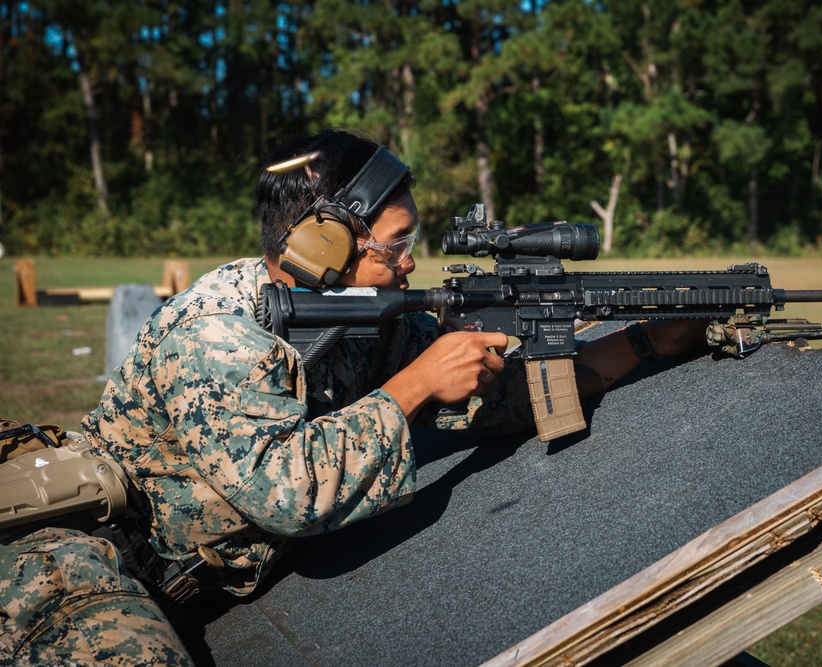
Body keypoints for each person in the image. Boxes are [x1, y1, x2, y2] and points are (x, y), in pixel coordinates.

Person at [0, 129, 704, 666]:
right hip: (79, 560)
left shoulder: (360, 313)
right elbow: (288, 489)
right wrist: (417, 383)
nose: (411, 261)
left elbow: (490, 395)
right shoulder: (216, 331)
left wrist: (643, 342)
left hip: (195, 574)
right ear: (325, 244)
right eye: (398, 242)